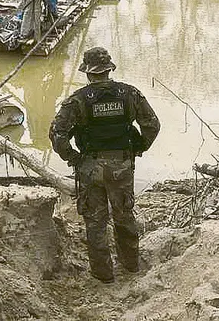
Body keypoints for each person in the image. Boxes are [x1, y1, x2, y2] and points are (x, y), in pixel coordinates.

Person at [49, 47, 160, 283]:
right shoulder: (130, 94)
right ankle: (131, 266)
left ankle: (104, 275)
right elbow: (152, 125)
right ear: (109, 69)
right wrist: (137, 148)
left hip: (90, 166)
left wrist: (74, 158)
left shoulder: (77, 100)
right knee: (124, 215)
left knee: (95, 222)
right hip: (121, 165)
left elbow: (57, 134)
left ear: (88, 73)